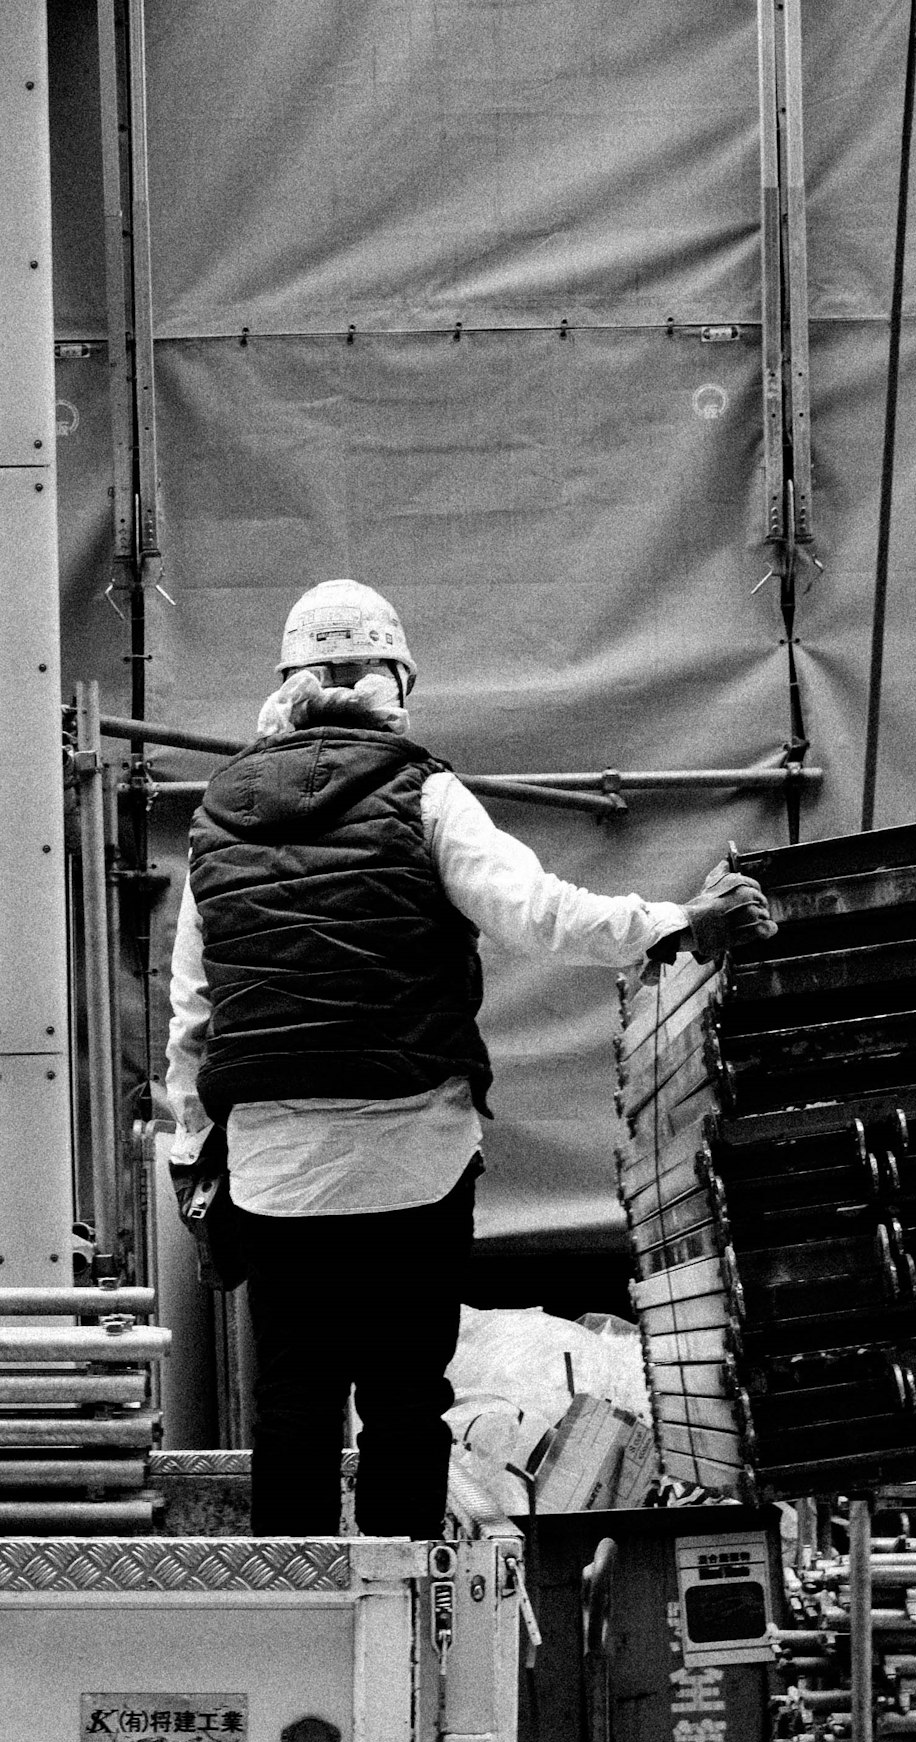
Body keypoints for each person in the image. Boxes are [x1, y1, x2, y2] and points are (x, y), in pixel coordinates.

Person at [160, 578, 773, 1537]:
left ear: (288, 685)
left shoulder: (217, 821)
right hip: (415, 1164)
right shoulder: (423, 794)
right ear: (394, 680)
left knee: (294, 1412)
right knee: (407, 1405)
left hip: (275, 1180)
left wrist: (193, 1166)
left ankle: (297, 1645)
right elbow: (538, 912)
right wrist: (679, 922)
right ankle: (407, 1636)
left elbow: (193, 1019)